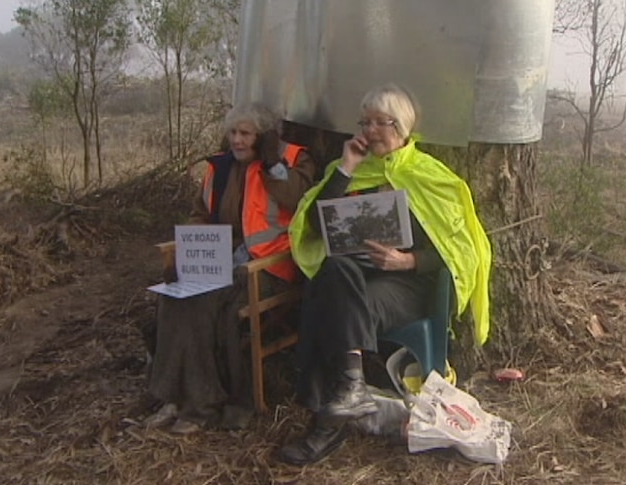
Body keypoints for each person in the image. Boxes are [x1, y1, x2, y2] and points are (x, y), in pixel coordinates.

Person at [276, 84, 492, 465]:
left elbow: (458, 254)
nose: (371, 130)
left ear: (404, 127)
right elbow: (312, 225)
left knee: (332, 300)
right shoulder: (352, 170)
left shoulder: (431, 177)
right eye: (365, 122)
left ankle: (327, 423)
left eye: (382, 122)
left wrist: (406, 261)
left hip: (408, 285)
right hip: (355, 278)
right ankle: (351, 388)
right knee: (336, 267)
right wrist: (346, 169)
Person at [144, 103, 315, 434]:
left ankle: (202, 406)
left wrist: (270, 162)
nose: (236, 141)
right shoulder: (220, 168)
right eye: (233, 133)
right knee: (174, 298)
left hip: (271, 267)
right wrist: (189, 253)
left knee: (210, 301)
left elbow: (296, 198)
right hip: (222, 259)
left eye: (245, 134)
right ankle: (176, 397)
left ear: (263, 136)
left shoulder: (293, 159)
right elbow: (201, 214)